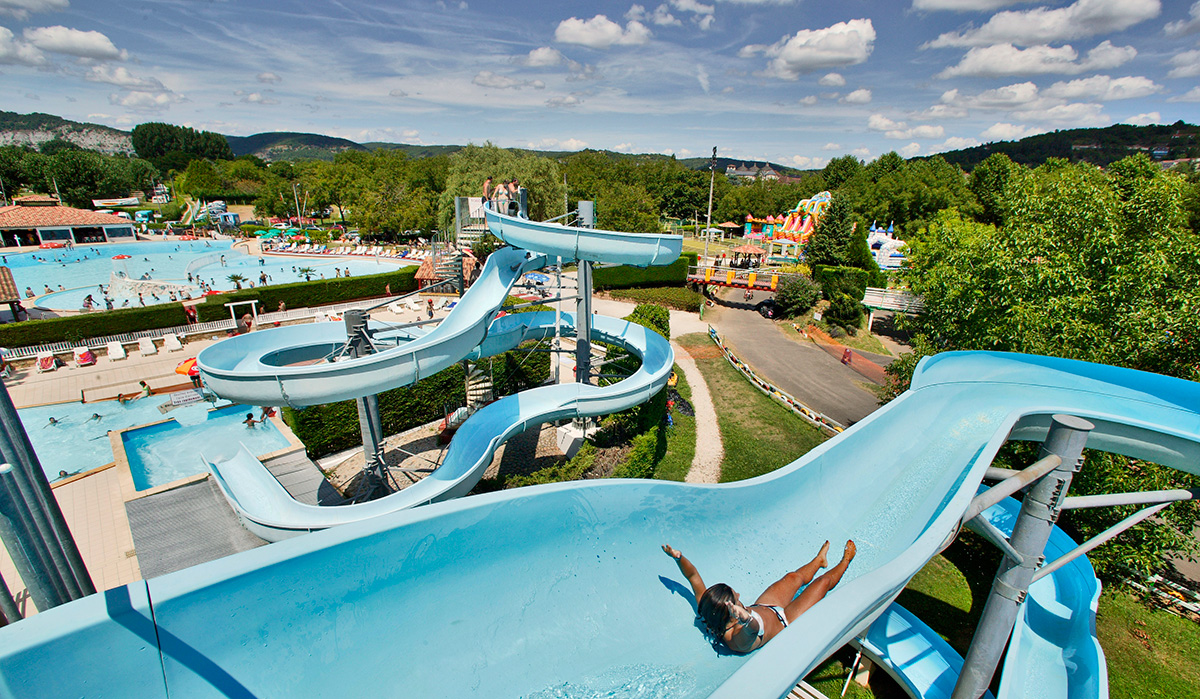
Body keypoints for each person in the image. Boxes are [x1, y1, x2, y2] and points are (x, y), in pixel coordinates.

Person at [662, 540, 856, 654]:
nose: (738, 594)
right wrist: (746, 618)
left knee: (792, 578)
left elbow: (693, 577)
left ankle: (818, 561)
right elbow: (752, 630)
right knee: (821, 584)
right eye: (735, 597)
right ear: (731, 614)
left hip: (766, 605)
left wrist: (679, 558)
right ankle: (846, 561)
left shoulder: (711, 607)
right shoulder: (735, 638)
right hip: (785, 620)